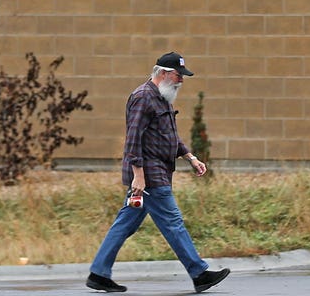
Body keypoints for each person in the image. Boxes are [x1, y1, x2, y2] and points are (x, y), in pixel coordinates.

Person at [86, 52, 230, 293]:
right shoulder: (143, 97)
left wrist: (190, 157)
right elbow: (133, 139)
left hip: (157, 170)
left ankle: (99, 274)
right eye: (178, 75)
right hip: (149, 173)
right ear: (162, 73)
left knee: (125, 224)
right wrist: (138, 175)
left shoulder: (162, 96)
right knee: (173, 222)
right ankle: (199, 273)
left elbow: (169, 135)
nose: (181, 80)